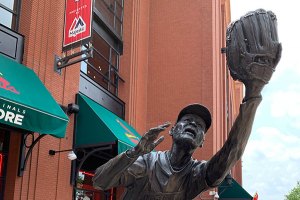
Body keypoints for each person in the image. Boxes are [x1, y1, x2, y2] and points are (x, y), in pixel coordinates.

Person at [92, 9, 281, 200]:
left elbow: (232, 151)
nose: (193, 125)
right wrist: (135, 151)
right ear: (172, 131)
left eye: (200, 126)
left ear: (202, 142)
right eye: (188, 120)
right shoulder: (148, 162)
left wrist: (253, 94)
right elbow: (99, 180)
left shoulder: (196, 175)